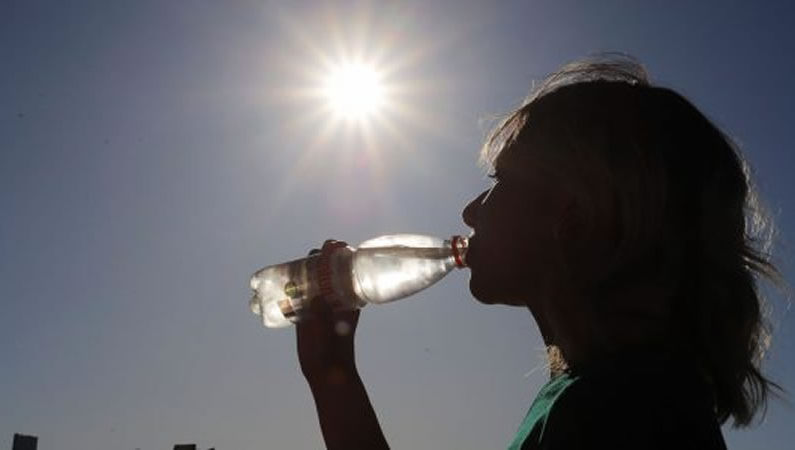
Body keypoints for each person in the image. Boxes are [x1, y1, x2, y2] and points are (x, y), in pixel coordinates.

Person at [295, 55, 784, 450]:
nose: (469, 212)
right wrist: (332, 379)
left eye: (500, 182)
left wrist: (334, 385)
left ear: (572, 217)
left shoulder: (624, 414)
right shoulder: (603, 395)